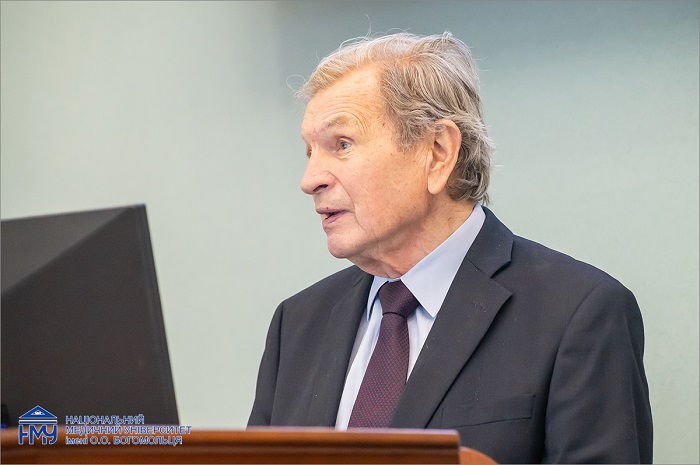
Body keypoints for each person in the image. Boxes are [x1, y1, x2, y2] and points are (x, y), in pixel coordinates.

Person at [248, 32, 653, 463]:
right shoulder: (297, 323)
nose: (310, 179)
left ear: (438, 152)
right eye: (309, 152)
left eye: (341, 145)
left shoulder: (580, 312)